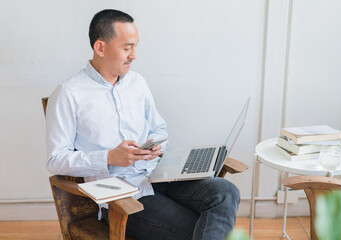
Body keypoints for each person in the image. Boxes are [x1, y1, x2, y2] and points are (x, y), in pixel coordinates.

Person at [46, 9, 240, 240]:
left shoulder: (137, 83)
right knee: (200, 228)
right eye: (127, 48)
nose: (134, 55)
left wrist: (156, 145)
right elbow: (56, 160)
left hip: (159, 175)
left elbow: (159, 129)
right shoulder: (69, 93)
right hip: (124, 197)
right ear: (100, 47)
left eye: (136, 46)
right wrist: (108, 157)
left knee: (227, 192)